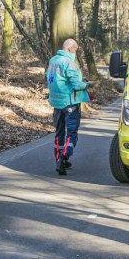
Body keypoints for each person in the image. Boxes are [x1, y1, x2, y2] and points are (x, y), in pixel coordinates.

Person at [46, 38, 90, 175]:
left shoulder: (53, 61)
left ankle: (59, 158)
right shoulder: (68, 62)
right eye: (75, 50)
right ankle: (64, 157)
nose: (75, 53)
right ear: (70, 49)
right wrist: (87, 84)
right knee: (71, 132)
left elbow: (49, 79)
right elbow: (76, 85)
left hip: (56, 103)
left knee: (59, 132)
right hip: (70, 102)